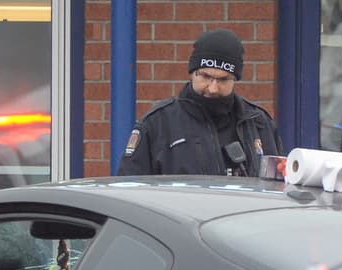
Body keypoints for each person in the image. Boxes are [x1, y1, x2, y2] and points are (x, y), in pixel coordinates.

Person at [117, 28, 285, 177]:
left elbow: (279, 186)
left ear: (235, 79)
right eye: (205, 76)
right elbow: (129, 191)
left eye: (223, 79)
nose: (213, 88)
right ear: (192, 73)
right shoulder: (157, 124)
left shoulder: (258, 123)